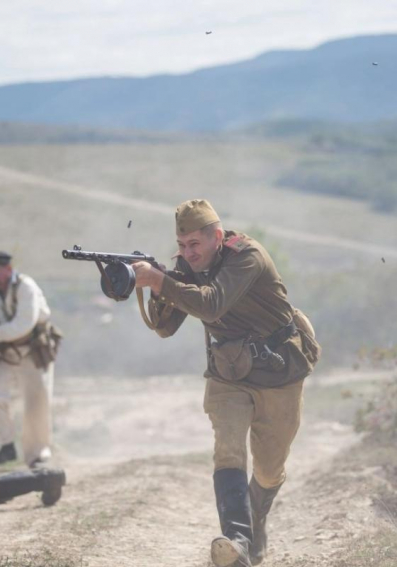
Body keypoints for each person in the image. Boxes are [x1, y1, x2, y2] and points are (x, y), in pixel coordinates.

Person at [131, 199, 321, 567]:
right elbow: (166, 327)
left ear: (217, 237)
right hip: (228, 375)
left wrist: (161, 280)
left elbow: (212, 303)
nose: (186, 253)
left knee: (268, 468)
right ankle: (237, 541)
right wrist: (157, 287)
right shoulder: (187, 265)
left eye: (194, 245)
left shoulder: (247, 255)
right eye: (181, 246)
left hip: (279, 371)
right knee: (228, 449)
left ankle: (255, 519)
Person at [0, 252, 61, 468]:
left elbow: (25, 324)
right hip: (10, 353)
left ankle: (38, 455)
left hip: (34, 352)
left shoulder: (26, 287)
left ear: (8, 269)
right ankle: (7, 444)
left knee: (37, 403)